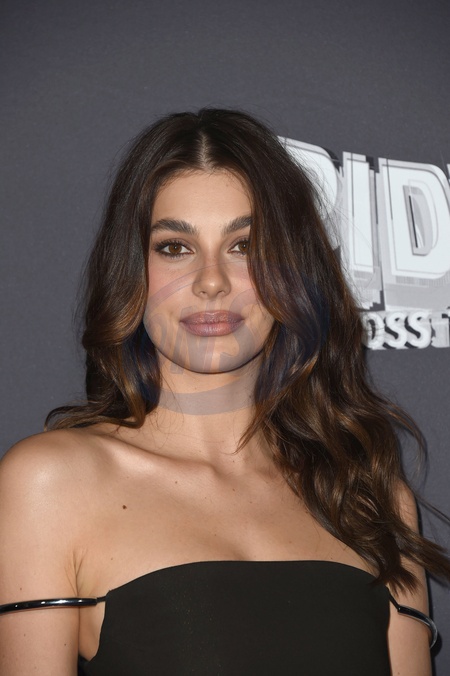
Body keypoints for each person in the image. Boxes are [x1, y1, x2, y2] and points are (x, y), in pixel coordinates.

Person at [0, 108, 449, 676]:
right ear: (131, 271)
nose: (211, 281)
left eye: (244, 245)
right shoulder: (50, 483)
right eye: (175, 247)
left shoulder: (366, 494)